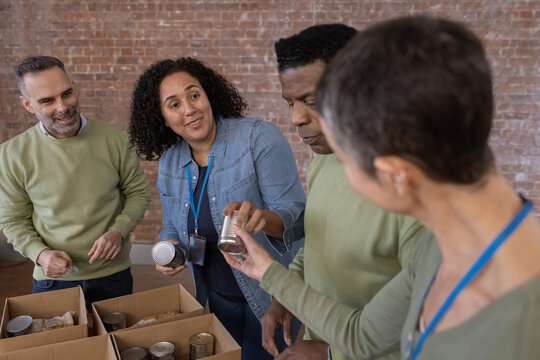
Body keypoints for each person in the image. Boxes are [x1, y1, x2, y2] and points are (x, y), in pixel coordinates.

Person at [223, 16, 540, 360]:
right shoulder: (442, 243)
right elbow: (364, 336)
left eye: (348, 151)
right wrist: (268, 273)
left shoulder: (516, 323)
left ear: (394, 173)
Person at [257, 24, 427, 360]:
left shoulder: (416, 195)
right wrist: (287, 295)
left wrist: (332, 353)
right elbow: (318, 245)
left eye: (312, 101)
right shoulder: (326, 158)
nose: (296, 118)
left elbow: (424, 327)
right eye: (290, 102)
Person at [128, 57, 305, 359]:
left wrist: (263, 218)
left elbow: (298, 217)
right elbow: (173, 224)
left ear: (208, 95)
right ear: (162, 118)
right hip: (216, 295)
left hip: (271, 295)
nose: (189, 108)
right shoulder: (171, 160)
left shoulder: (257, 138)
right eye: (174, 104)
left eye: (194, 95)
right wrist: (170, 245)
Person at [0, 56, 151, 312]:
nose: (62, 107)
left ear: (74, 87)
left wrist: (119, 231)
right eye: (47, 100)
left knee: (116, 348)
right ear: (27, 104)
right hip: (52, 280)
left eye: (66, 94)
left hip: (113, 275)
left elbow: (138, 193)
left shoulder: (117, 141)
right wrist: (40, 254)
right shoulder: (11, 155)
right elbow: (13, 220)